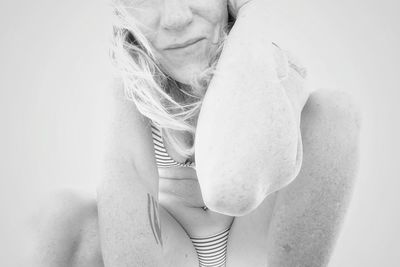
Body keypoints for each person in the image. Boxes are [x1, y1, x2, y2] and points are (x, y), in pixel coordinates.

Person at [30, 0, 361, 266]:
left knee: (335, 110)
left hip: (259, 252)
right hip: (165, 253)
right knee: (61, 213)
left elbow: (233, 188)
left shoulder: (272, 66)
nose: (175, 18)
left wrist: (254, 14)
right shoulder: (125, 97)